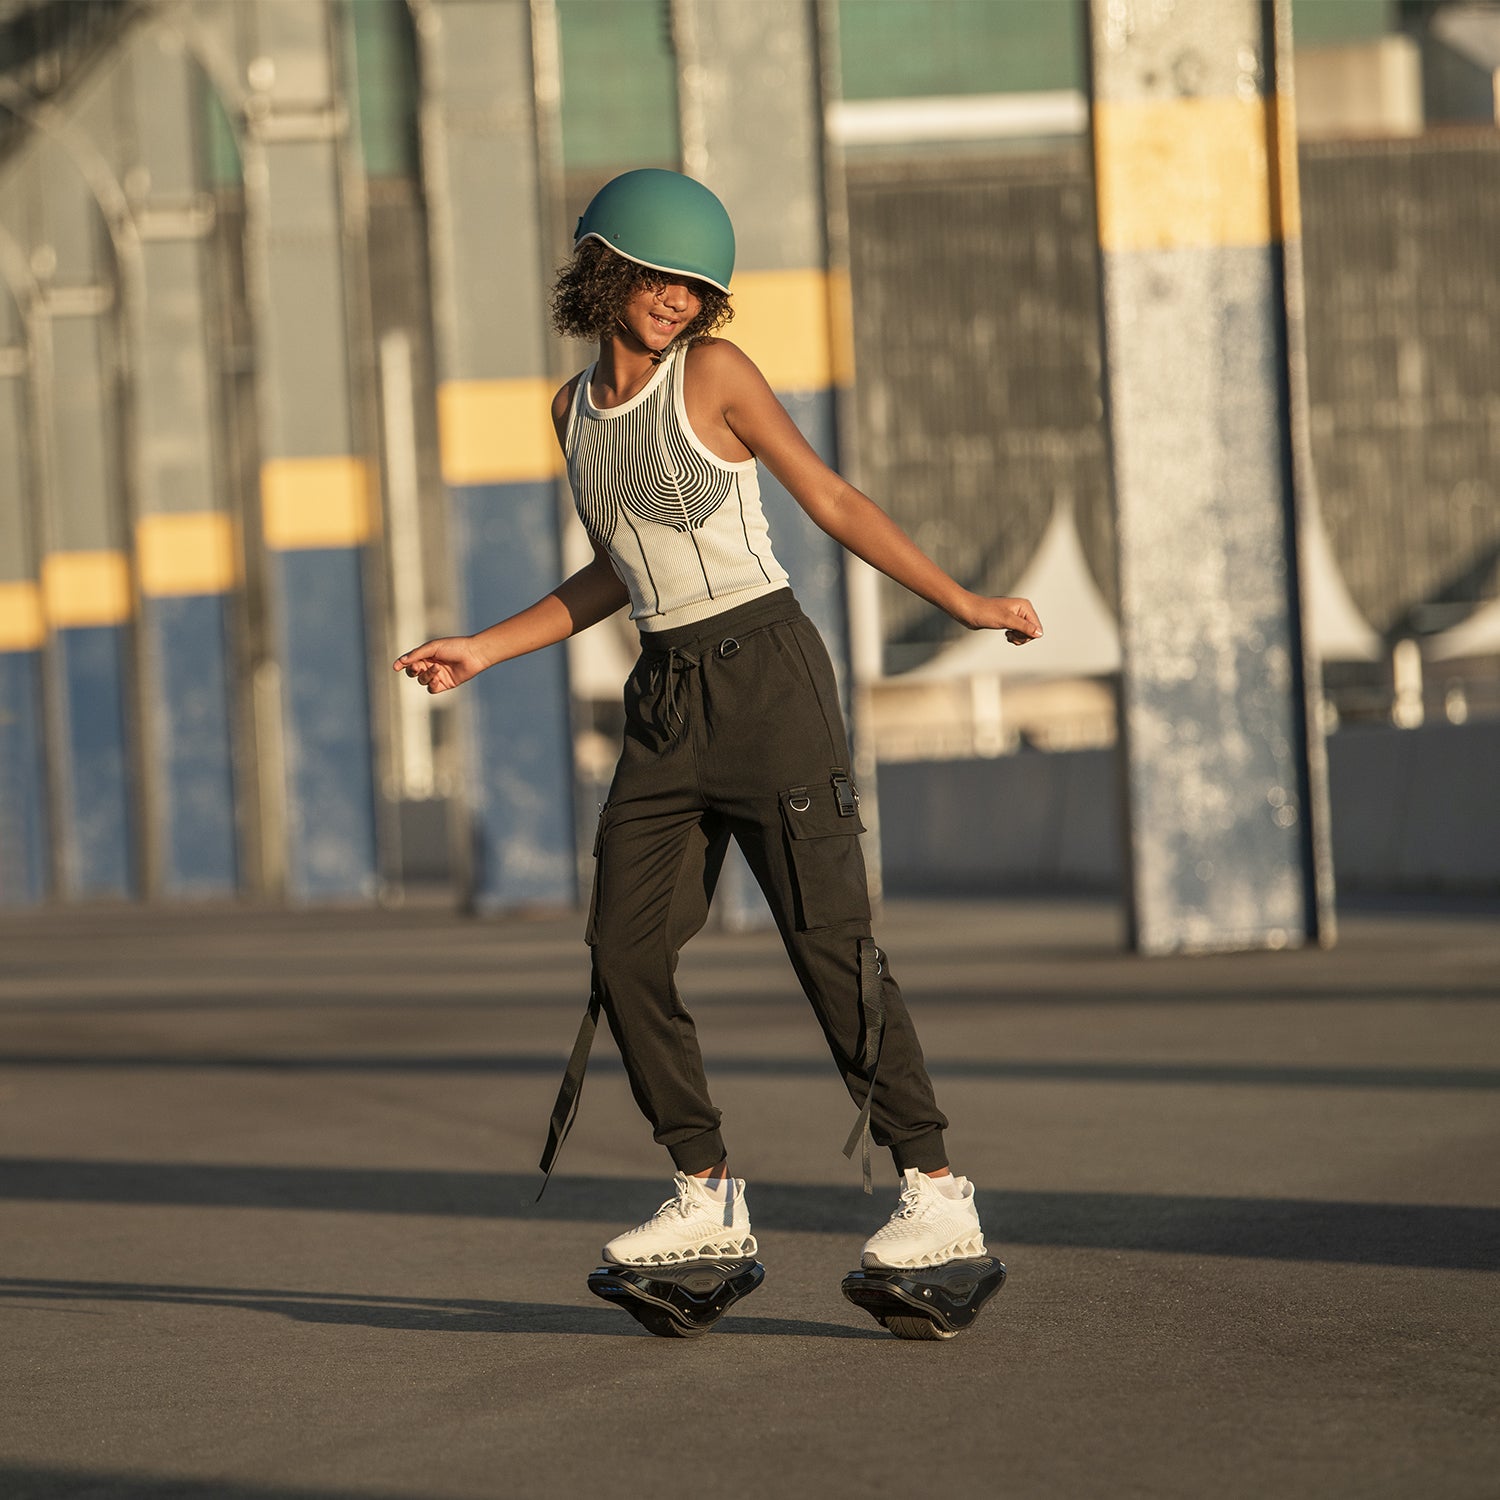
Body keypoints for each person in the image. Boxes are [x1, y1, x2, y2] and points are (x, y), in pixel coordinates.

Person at [395, 168, 1041, 1277]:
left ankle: (935, 1188)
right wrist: (483, 648)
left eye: (696, 288)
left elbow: (830, 499)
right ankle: (705, 1188)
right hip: (666, 698)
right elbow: (615, 565)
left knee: (827, 943)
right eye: (658, 278)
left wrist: (965, 604)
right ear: (606, 269)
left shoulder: (717, 375)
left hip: (769, 678)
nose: (677, 301)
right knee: (623, 946)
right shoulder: (569, 413)